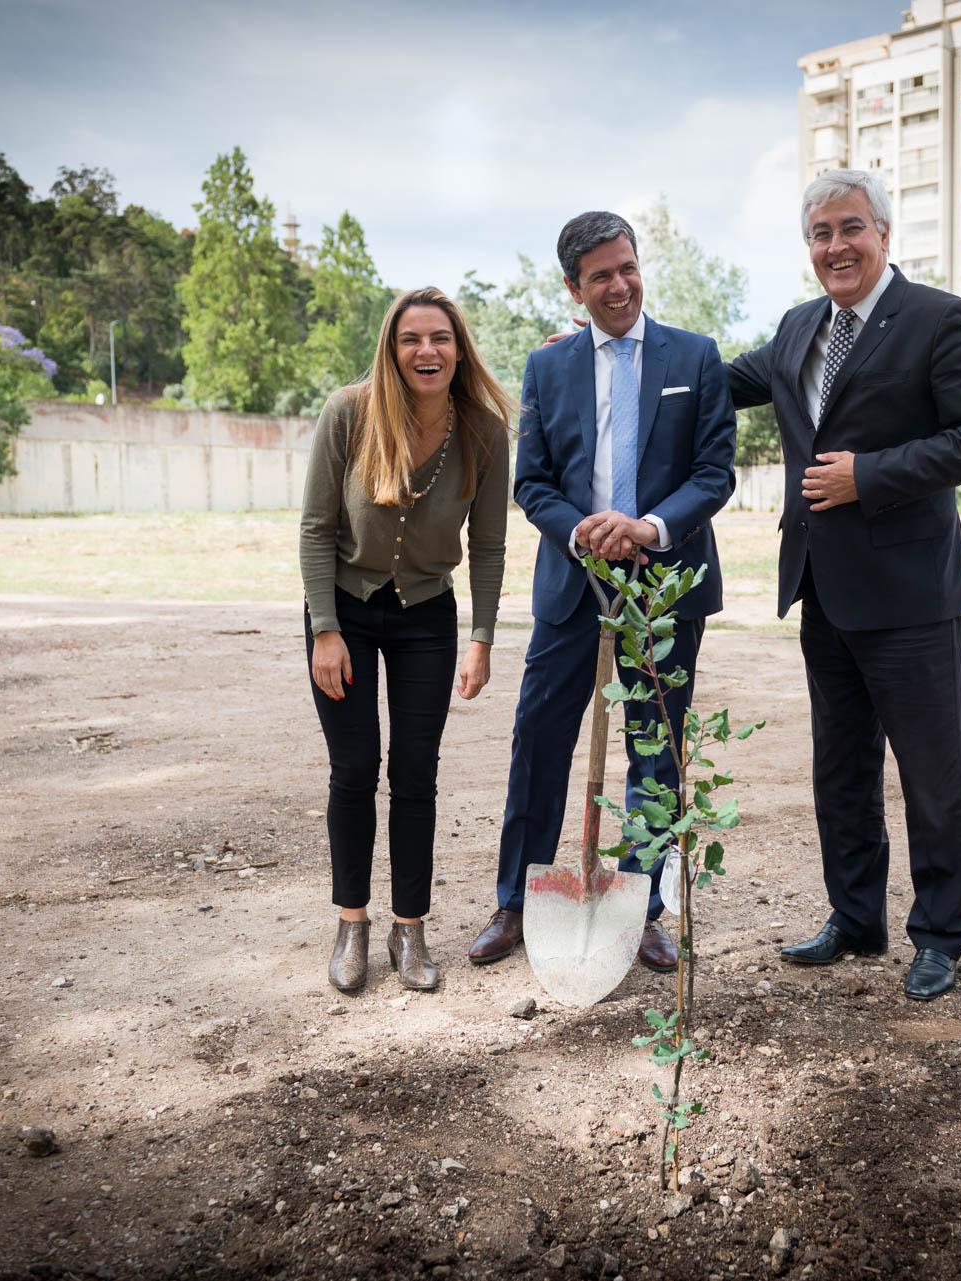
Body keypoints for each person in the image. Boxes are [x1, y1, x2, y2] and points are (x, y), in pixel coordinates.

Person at [726, 168, 961, 1001]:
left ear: (884, 234)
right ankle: (855, 919)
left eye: (850, 228)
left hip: (912, 591)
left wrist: (872, 474)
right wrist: (618, 341)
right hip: (824, 587)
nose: (835, 246)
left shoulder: (937, 319)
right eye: (820, 234)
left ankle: (939, 935)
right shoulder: (795, 329)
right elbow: (714, 379)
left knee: (933, 771)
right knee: (841, 767)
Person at [470, 210, 737, 973]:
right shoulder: (546, 367)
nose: (620, 286)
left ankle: (644, 906)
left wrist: (648, 527)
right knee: (539, 742)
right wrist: (584, 529)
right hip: (571, 585)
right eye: (600, 277)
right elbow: (534, 482)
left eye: (627, 268)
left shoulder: (695, 355)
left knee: (655, 751)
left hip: (666, 587)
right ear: (573, 287)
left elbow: (713, 472)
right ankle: (516, 901)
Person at [299, 286, 513, 993]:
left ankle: (410, 928)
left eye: (441, 338)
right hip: (346, 612)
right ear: (392, 348)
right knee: (355, 768)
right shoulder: (349, 414)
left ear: (459, 349)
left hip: (427, 614)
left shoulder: (482, 430)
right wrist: (324, 629)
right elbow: (314, 529)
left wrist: (481, 635)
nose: (427, 351)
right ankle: (352, 923)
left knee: (416, 772)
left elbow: (488, 544)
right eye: (412, 338)